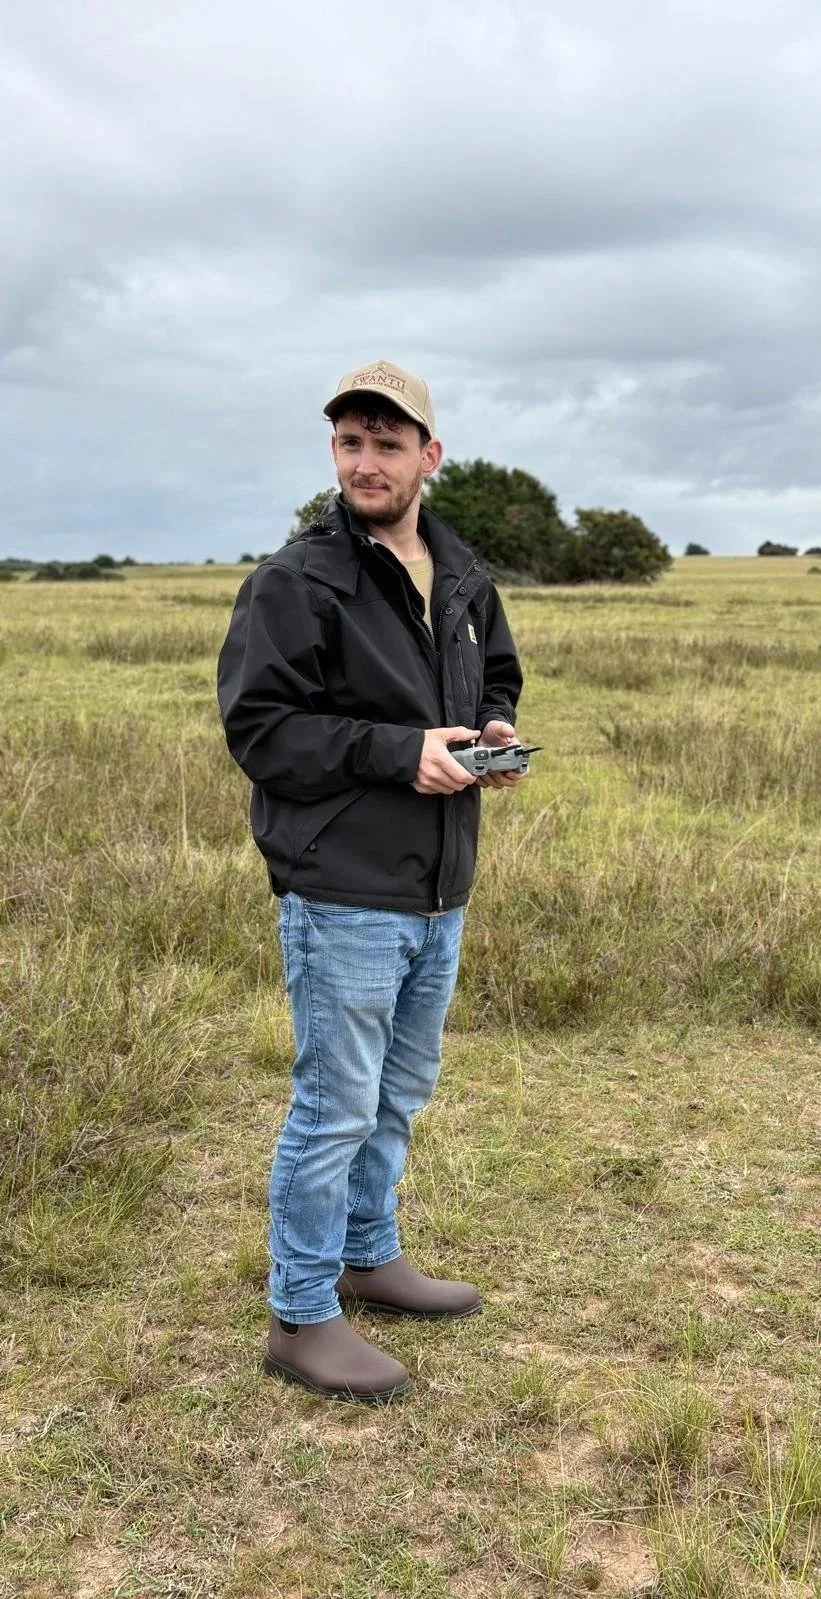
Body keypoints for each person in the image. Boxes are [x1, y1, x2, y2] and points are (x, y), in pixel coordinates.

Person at [217, 359, 524, 1403]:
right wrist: (400, 753)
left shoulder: (463, 574)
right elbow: (262, 730)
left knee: (396, 1095)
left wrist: (488, 730)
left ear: (428, 457)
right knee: (333, 1106)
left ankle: (368, 1256)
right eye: (349, 442)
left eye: (387, 444)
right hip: (342, 888)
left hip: (439, 884)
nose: (365, 462)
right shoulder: (296, 581)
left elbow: (497, 678)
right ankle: (300, 1316)